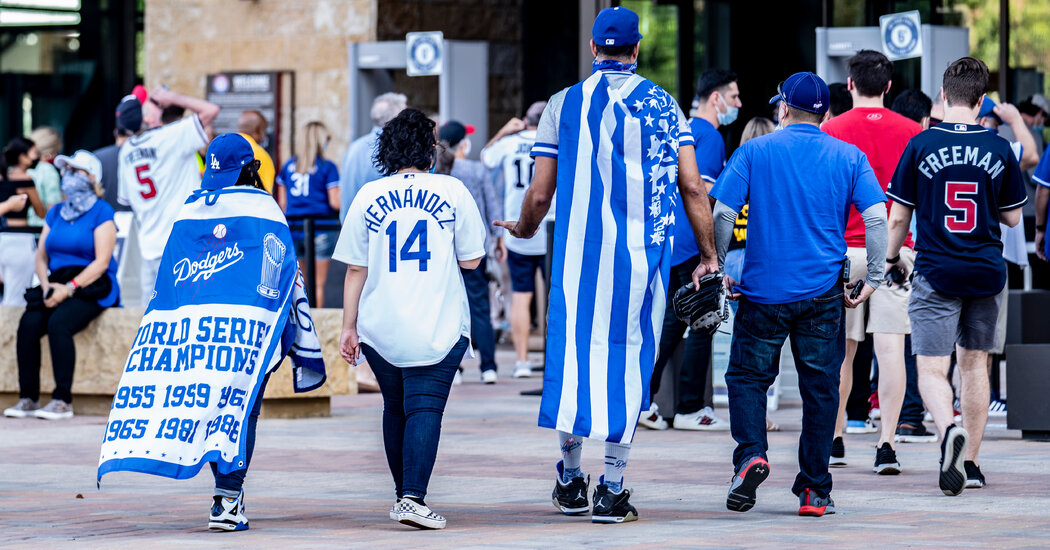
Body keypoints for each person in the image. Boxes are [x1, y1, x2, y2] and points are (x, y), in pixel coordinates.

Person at [496, 6, 718, 523]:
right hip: (643, 262)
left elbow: (541, 190)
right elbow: (691, 187)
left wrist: (524, 229)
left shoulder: (562, 103)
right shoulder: (664, 105)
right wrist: (709, 254)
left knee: (574, 358)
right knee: (630, 360)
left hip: (578, 257)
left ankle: (571, 479)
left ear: (594, 50)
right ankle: (613, 487)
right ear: (636, 50)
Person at [711, 71, 887, 516]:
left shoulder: (754, 150)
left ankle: (751, 454)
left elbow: (724, 211)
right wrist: (876, 275)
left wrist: (717, 263)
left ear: (783, 109)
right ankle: (814, 490)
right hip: (823, 293)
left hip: (763, 292)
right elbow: (877, 221)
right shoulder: (849, 155)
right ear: (826, 112)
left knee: (748, 379)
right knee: (822, 389)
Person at [335, 108, 486, 530]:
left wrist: (348, 327)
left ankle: (404, 496)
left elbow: (354, 269)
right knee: (425, 408)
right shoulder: (452, 190)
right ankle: (412, 499)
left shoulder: (368, 194)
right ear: (430, 150)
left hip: (380, 324)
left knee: (395, 407)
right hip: (437, 319)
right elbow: (472, 260)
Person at [885, 57, 1026, 496]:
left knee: (931, 367)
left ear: (943, 96)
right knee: (975, 365)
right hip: (985, 270)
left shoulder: (921, 144)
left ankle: (947, 430)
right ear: (982, 100)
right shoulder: (999, 147)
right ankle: (972, 464)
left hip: (936, 270)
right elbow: (1014, 219)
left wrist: (891, 260)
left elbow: (897, 218)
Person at [821, 50, 922, 474]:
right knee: (891, 348)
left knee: (841, 353)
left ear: (849, 84)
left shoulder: (829, 130)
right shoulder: (914, 131)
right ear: (888, 86)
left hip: (843, 251)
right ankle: (886, 445)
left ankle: (837, 437)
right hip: (896, 252)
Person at [641, 68, 740, 432]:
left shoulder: (680, 130)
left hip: (669, 240)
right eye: (734, 97)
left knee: (670, 323)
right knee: (702, 320)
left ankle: (644, 400)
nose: (738, 105)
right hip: (693, 245)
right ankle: (688, 407)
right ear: (716, 98)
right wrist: (710, 253)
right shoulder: (710, 137)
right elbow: (703, 198)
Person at [4, 150, 118, 420]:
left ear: (92, 178)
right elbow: (41, 256)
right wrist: (46, 285)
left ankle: (61, 400)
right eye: (66, 170)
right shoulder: (55, 212)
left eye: (75, 171)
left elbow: (101, 263)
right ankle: (28, 398)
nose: (68, 176)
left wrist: (69, 289)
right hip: (54, 282)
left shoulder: (102, 211)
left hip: (91, 284)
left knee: (59, 323)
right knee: (29, 323)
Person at [117, 86, 220, 306]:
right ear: (145, 116)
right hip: (182, 244)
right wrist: (173, 97)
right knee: (188, 313)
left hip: (150, 249)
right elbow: (211, 110)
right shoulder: (170, 136)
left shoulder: (125, 151)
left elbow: (125, 199)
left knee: (153, 321)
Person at [481, 102, 549, 380]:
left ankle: (521, 361)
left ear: (525, 120)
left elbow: (485, 157)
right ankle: (553, 358)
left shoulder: (510, 144)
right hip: (549, 227)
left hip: (518, 225)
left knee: (521, 296)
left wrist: (504, 131)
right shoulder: (554, 140)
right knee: (555, 296)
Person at [437, 120, 501, 384]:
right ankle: (488, 366)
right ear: (462, 142)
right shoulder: (476, 169)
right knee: (479, 305)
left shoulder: (439, 170)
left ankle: (456, 367)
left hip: (445, 247)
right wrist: (498, 239)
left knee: (449, 305)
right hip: (475, 246)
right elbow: (491, 205)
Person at [275, 121, 340, 307]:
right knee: (318, 284)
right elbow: (335, 202)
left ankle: (302, 327)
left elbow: (282, 204)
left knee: (301, 284)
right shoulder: (328, 167)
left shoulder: (288, 167)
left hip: (294, 227)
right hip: (321, 227)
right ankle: (317, 326)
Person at [339, 92, 407, 219]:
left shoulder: (355, 147)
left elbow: (343, 191)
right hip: (380, 228)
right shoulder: (395, 148)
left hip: (353, 225)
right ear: (397, 117)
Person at [0, 137, 47, 306]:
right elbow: (40, 212)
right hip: (19, 241)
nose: (37, 157)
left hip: (3, 239)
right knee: (15, 300)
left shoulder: (3, 177)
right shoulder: (25, 179)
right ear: (22, 157)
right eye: (34, 153)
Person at [94, 95, 140, 211]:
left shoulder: (96, 158)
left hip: (106, 225)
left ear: (115, 132)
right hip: (141, 224)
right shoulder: (147, 156)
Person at [28, 126, 63, 227]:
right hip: (41, 230)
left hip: (20, 231)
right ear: (51, 152)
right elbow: (53, 209)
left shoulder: (21, 169)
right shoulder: (48, 171)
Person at [237, 110, 277, 193]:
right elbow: (265, 193)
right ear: (259, 130)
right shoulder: (261, 154)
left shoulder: (221, 148)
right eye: (264, 130)